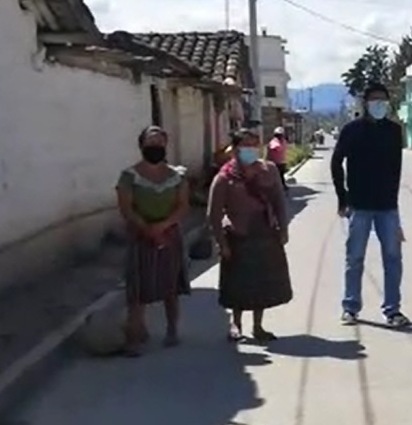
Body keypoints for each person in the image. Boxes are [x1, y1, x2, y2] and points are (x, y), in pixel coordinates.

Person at [330, 81, 409, 327]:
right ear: (365, 103)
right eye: (374, 100)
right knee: (354, 257)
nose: (379, 105)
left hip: (387, 207)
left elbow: (396, 170)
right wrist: (343, 198)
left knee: (393, 258)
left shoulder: (394, 131)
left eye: (383, 100)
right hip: (359, 205)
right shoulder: (351, 130)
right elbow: (336, 163)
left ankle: (393, 310)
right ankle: (350, 307)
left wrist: (395, 208)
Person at [208, 127, 294, 342]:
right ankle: (236, 324)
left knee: (261, 283)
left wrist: (283, 228)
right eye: (245, 145)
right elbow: (213, 213)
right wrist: (221, 242)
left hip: (265, 232)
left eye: (254, 145)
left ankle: (258, 326)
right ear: (235, 149)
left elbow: (279, 202)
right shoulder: (224, 177)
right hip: (237, 234)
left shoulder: (270, 170)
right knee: (238, 282)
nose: (251, 149)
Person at [115, 125, 192, 355]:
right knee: (138, 287)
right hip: (140, 235)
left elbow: (183, 206)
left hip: (169, 234)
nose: (155, 147)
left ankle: (172, 330)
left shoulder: (177, 176)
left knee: (170, 285)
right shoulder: (129, 176)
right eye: (150, 143)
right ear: (141, 146)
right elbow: (126, 208)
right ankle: (135, 336)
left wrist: (162, 226)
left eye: (159, 143)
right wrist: (146, 227)